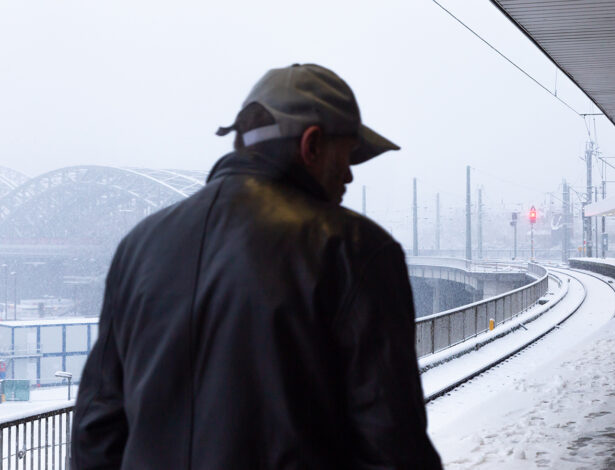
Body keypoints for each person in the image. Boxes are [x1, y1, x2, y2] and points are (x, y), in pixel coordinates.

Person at [71, 64, 442, 469]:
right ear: (312, 145)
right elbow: (392, 444)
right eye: (348, 154)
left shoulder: (138, 247)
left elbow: (98, 426)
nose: (350, 174)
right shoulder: (352, 248)